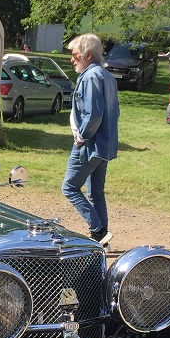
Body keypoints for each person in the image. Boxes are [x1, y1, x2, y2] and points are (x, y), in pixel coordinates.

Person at [62, 33, 120, 247]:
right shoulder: (106, 76)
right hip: (104, 145)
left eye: (75, 54)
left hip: (90, 145)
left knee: (69, 187)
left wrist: (83, 136)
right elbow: (115, 112)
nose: (72, 59)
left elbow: (94, 114)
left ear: (88, 55)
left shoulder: (91, 77)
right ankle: (102, 241)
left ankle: (98, 230)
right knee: (96, 192)